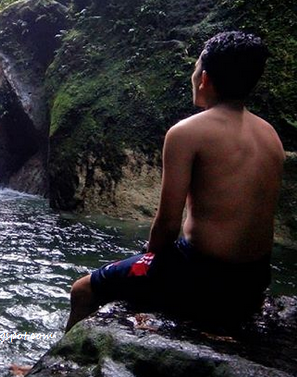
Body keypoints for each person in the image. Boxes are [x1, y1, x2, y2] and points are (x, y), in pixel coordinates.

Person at [65, 31, 286, 332]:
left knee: (82, 290)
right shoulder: (270, 135)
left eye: (195, 68)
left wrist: (148, 256)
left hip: (201, 275)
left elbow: (166, 226)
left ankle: (60, 365)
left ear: (204, 78)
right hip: (254, 280)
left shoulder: (187, 133)